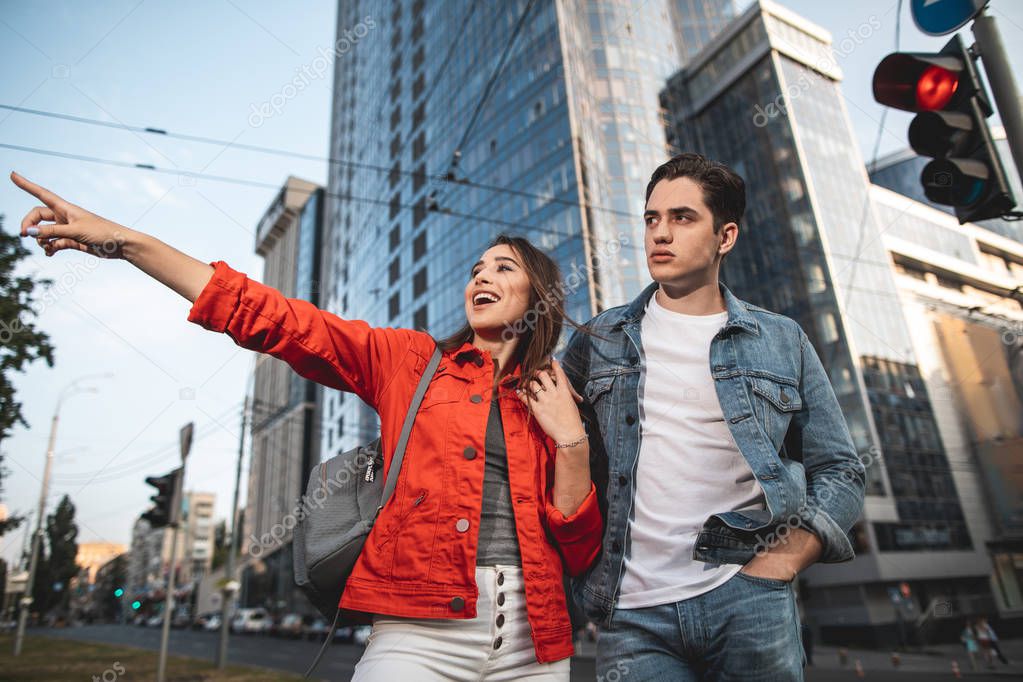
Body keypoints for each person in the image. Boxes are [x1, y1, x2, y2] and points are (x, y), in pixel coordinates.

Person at [10, 170, 603, 681]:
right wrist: (122, 240)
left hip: (536, 641)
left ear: (536, 298)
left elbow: (579, 549)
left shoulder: (557, 397)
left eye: (503, 267)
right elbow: (268, 315)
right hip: (417, 632)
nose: (481, 275)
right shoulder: (410, 362)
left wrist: (570, 438)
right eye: (477, 268)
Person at [559, 153, 866, 681]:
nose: (660, 233)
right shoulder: (598, 340)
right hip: (632, 610)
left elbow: (840, 468)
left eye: (682, 218)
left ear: (725, 237)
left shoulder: (781, 339)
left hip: (749, 598)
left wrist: (782, 562)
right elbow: (554, 452)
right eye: (652, 218)